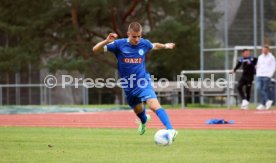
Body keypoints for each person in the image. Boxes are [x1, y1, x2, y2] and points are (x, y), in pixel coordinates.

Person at [92, 22, 177, 141]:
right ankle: (143, 120)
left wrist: (166, 46)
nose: (137, 39)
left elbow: (154, 45)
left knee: (153, 105)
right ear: (128, 34)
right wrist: (106, 41)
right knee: (138, 110)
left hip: (143, 81)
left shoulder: (144, 43)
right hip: (128, 85)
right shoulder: (118, 44)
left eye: (139, 36)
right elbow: (95, 49)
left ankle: (170, 130)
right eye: (134, 36)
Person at [256, 45, 276, 110]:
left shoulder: (271, 57)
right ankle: (267, 101)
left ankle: (263, 104)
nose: (264, 51)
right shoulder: (260, 57)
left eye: (265, 50)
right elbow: (258, 65)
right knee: (259, 88)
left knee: (264, 89)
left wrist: (270, 75)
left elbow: (273, 67)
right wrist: (257, 72)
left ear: (268, 50)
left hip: (267, 75)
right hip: (259, 75)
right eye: (263, 50)